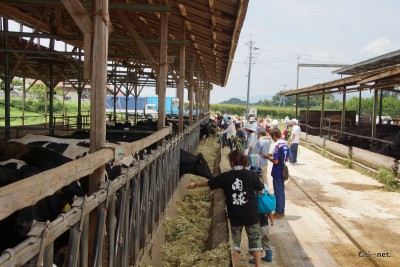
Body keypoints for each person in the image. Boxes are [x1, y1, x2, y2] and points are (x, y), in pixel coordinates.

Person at [186, 150, 264, 267]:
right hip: (251, 214)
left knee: (235, 244)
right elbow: (261, 189)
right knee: (255, 242)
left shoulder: (226, 177)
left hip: (235, 215)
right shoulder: (252, 175)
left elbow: (209, 182)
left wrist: (195, 185)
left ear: (232, 162)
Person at [265, 128, 290, 219]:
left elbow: (275, 161)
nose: (272, 138)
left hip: (277, 171)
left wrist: (268, 158)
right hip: (283, 170)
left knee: (278, 192)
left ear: (274, 136)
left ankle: (278, 212)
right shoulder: (285, 144)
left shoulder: (277, 146)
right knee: (281, 192)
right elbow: (287, 158)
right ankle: (281, 211)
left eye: (272, 137)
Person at [249, 185, 274, 264]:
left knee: (257, 243)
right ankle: (269, 256)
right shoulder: (265, 202)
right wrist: (272, 221)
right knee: (266, 241)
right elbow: (270, 212)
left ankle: (256, 258)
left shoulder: (256, 202)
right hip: (265, 226)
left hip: (259, 226)